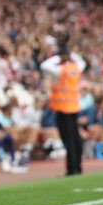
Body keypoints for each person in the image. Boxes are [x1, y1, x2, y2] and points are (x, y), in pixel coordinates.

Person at [40, 32, 87, 175]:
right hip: (74, 107)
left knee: (69, 140)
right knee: (75, 138)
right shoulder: (76, 67)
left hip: (62, 108)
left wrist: (59, 56)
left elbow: (44, 65)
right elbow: (82, 62)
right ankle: (77, 166)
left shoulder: (59, 69)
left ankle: (71, 168)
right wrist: (70, 54)